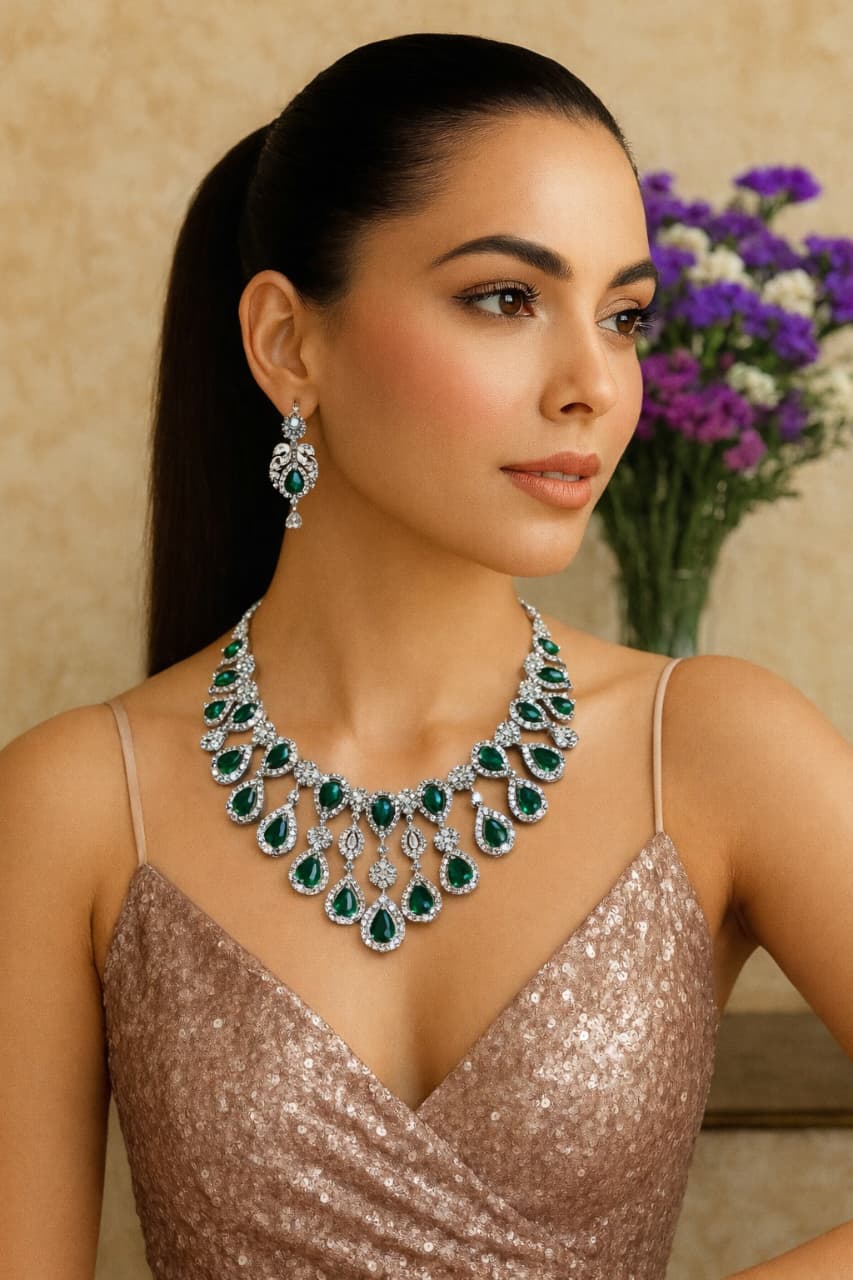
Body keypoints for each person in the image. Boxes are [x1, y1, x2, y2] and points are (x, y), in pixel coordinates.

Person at [1, 30, 851, 1280]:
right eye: (505, 298)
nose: (593, 384)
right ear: (287, 342)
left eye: (623, 317)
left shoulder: (715, 746)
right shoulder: (74, 801)